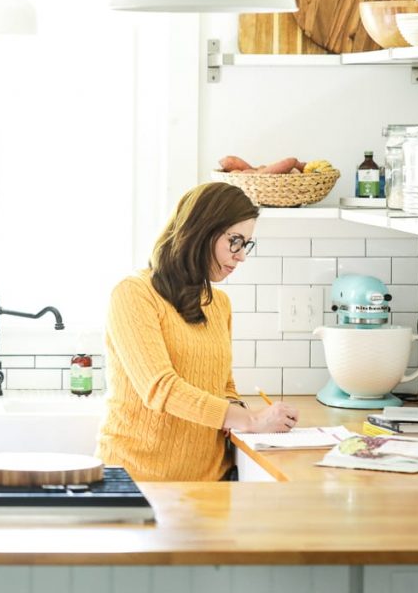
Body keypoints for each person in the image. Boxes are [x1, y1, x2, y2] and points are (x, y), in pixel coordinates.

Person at [97, 182, 299, 481]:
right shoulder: (133, 294)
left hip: (210, 480)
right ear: (201, 231)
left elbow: (224, 385)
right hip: (135, 479)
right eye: (235, 241)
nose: (241, 255)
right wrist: (251, 420)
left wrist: (238, 412)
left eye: (246, 244)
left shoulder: (219, 304)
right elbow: (160, 389)